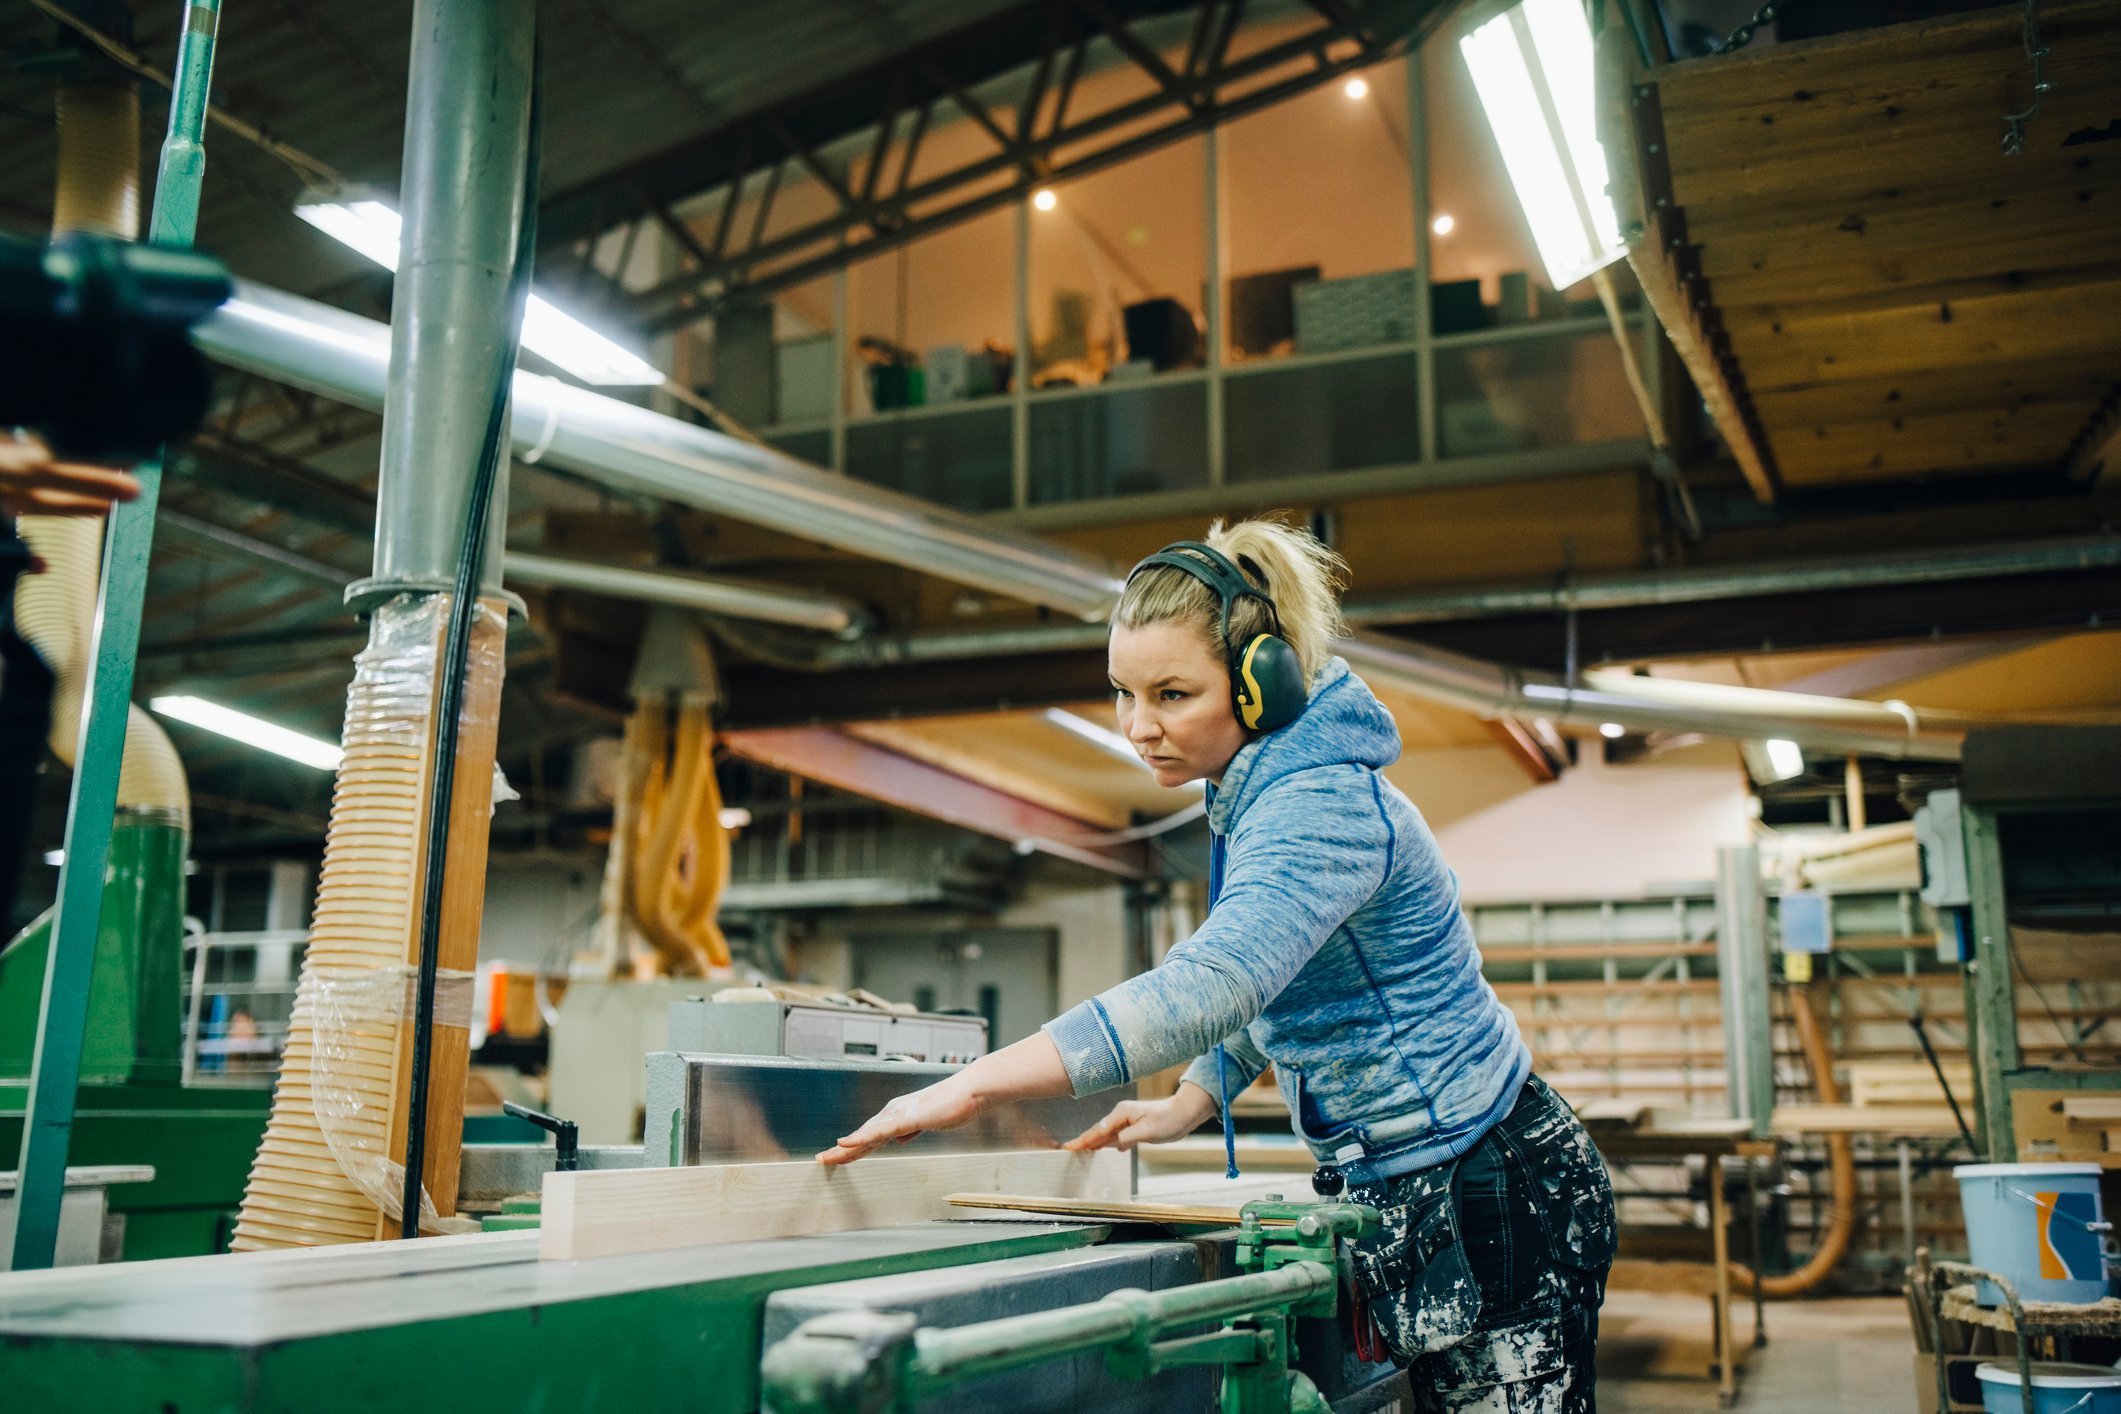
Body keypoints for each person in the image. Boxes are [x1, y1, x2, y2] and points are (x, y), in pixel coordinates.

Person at [818, 516, 1617, 1411]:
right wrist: (1193, 1100)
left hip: (1489, 1181)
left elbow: (1215, 985)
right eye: (1123, 693)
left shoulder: (1317, 803)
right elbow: (1280, 988)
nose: (1138, 727)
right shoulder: (1260, 794)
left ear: (1259, 684)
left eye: (1171, 694)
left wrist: (972, 1086)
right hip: (1431, 1175)